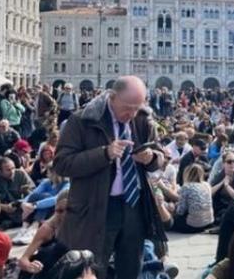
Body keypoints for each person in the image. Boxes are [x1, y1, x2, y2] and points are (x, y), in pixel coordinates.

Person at [53, 76, 167, 279]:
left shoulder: (142, 119)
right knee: (95, 267)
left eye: (136, 107)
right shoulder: (82, 120)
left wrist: (151, 158)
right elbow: (62, 164)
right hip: (96, 206)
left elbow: (160, 157)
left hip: (134, 205)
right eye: (127, 107)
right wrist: (104, 153)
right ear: (112, 97)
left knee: (131, 266)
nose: (131, 113)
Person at [18, 190, 70, 278]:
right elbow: (23, 259)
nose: (64, 215)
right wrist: (30, 266)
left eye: (68, 210)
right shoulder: (48, 228)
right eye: (60, 211)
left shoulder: (85, 227)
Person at [13, 168, 70, 245]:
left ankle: (34, 227)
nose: (47, 175)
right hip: (38, 209)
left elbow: (55, 199)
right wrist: (23, 203)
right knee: (35, 196)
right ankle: (24, 227)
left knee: (47, 196)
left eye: (49, 173)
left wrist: (35, 205)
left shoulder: (67, 184)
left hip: (55, 210)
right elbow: (33, 194)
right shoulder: (46, 182)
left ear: (55, 174)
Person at [0, 156, 35, 229]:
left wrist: (26, 191)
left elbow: (34, 192)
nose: (12, 172)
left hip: (19, 207)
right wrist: (3, 207)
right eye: (8, 170)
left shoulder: (20, 174)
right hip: (0, 210)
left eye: (13, 168)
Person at [173, 164, 214, 233]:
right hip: (209, 222)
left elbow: (180, 211)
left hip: (192, 226)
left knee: (172, 219)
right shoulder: (207, 185)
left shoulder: (186, 187)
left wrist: (175, 206)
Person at [209, 148, 234, 223]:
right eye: (229, 162)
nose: (232, 164)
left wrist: (227, 185)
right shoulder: (219, 175)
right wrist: (222, 182)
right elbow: (209, 193)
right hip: (220, 207)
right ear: (224, 163)